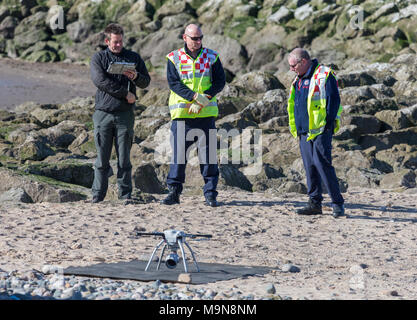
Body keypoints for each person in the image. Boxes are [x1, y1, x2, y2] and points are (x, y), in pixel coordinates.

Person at [161, 24, 226, 207]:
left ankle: (210, 194)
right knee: (179, 156)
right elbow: (174, 83)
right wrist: (194, 97)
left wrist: (206, 97)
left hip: (206, 115)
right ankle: (173, 193)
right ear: (184, 37)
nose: (198, 42)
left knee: (209, 156)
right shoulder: (174, 58)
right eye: (194, 38)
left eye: (200, 38)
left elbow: (220, 81)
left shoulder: (212, 56)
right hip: (182, 115)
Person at [90, 23, 150, 203]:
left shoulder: (133, 57)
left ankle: (125, 195)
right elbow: (100, 81)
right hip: (103, 113)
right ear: (107, 41)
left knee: (124, 160)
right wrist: (126, 93)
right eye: (115, 42)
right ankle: (97, 196)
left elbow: (146, 82)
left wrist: (135, 77)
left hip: (125, 115)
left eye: (121, 41)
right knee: (101, 160)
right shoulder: (98, 58)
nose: (118, 45)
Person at [287, 48, 345, 218]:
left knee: (323, 165)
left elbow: (334, 101)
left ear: (303, 61)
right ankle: (314, 203)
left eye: (293, 66)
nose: (291, 69)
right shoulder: (298, 79)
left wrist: (327, 124)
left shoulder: (324, 74)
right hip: (304, 131)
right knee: (310, 167)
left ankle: (337, 204)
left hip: (321, 130)